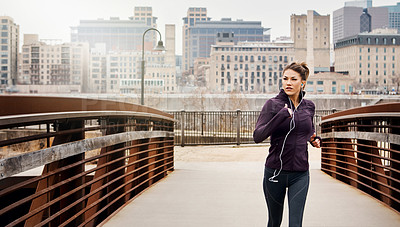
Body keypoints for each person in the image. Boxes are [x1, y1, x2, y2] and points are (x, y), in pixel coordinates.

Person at [253, 62, 321, 227]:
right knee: (275, 222)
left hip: (300, 173)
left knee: (296, 224)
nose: (288, 83)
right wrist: (280, 116)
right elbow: (257, 136)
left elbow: (308, 130)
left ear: (302, 83)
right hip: (275, 172)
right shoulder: (273, 105)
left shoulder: (309, 106)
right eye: (285, 79)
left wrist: (314, 139)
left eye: (293, 79)